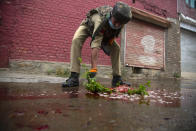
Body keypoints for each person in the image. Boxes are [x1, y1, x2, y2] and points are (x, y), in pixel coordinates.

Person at [62, 1, 132, 88]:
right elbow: (96, 44)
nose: (117, 25)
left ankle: (117, 79)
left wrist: (108, 42)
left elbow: (115, 33)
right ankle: (74, 77)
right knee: (76, 40)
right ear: (111, 15)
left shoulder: (121, 22)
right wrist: (93, 68)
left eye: (120, 24)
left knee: (116, 48)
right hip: (88, 27)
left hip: (104, 33)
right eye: (116, 22)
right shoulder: (100, 20)